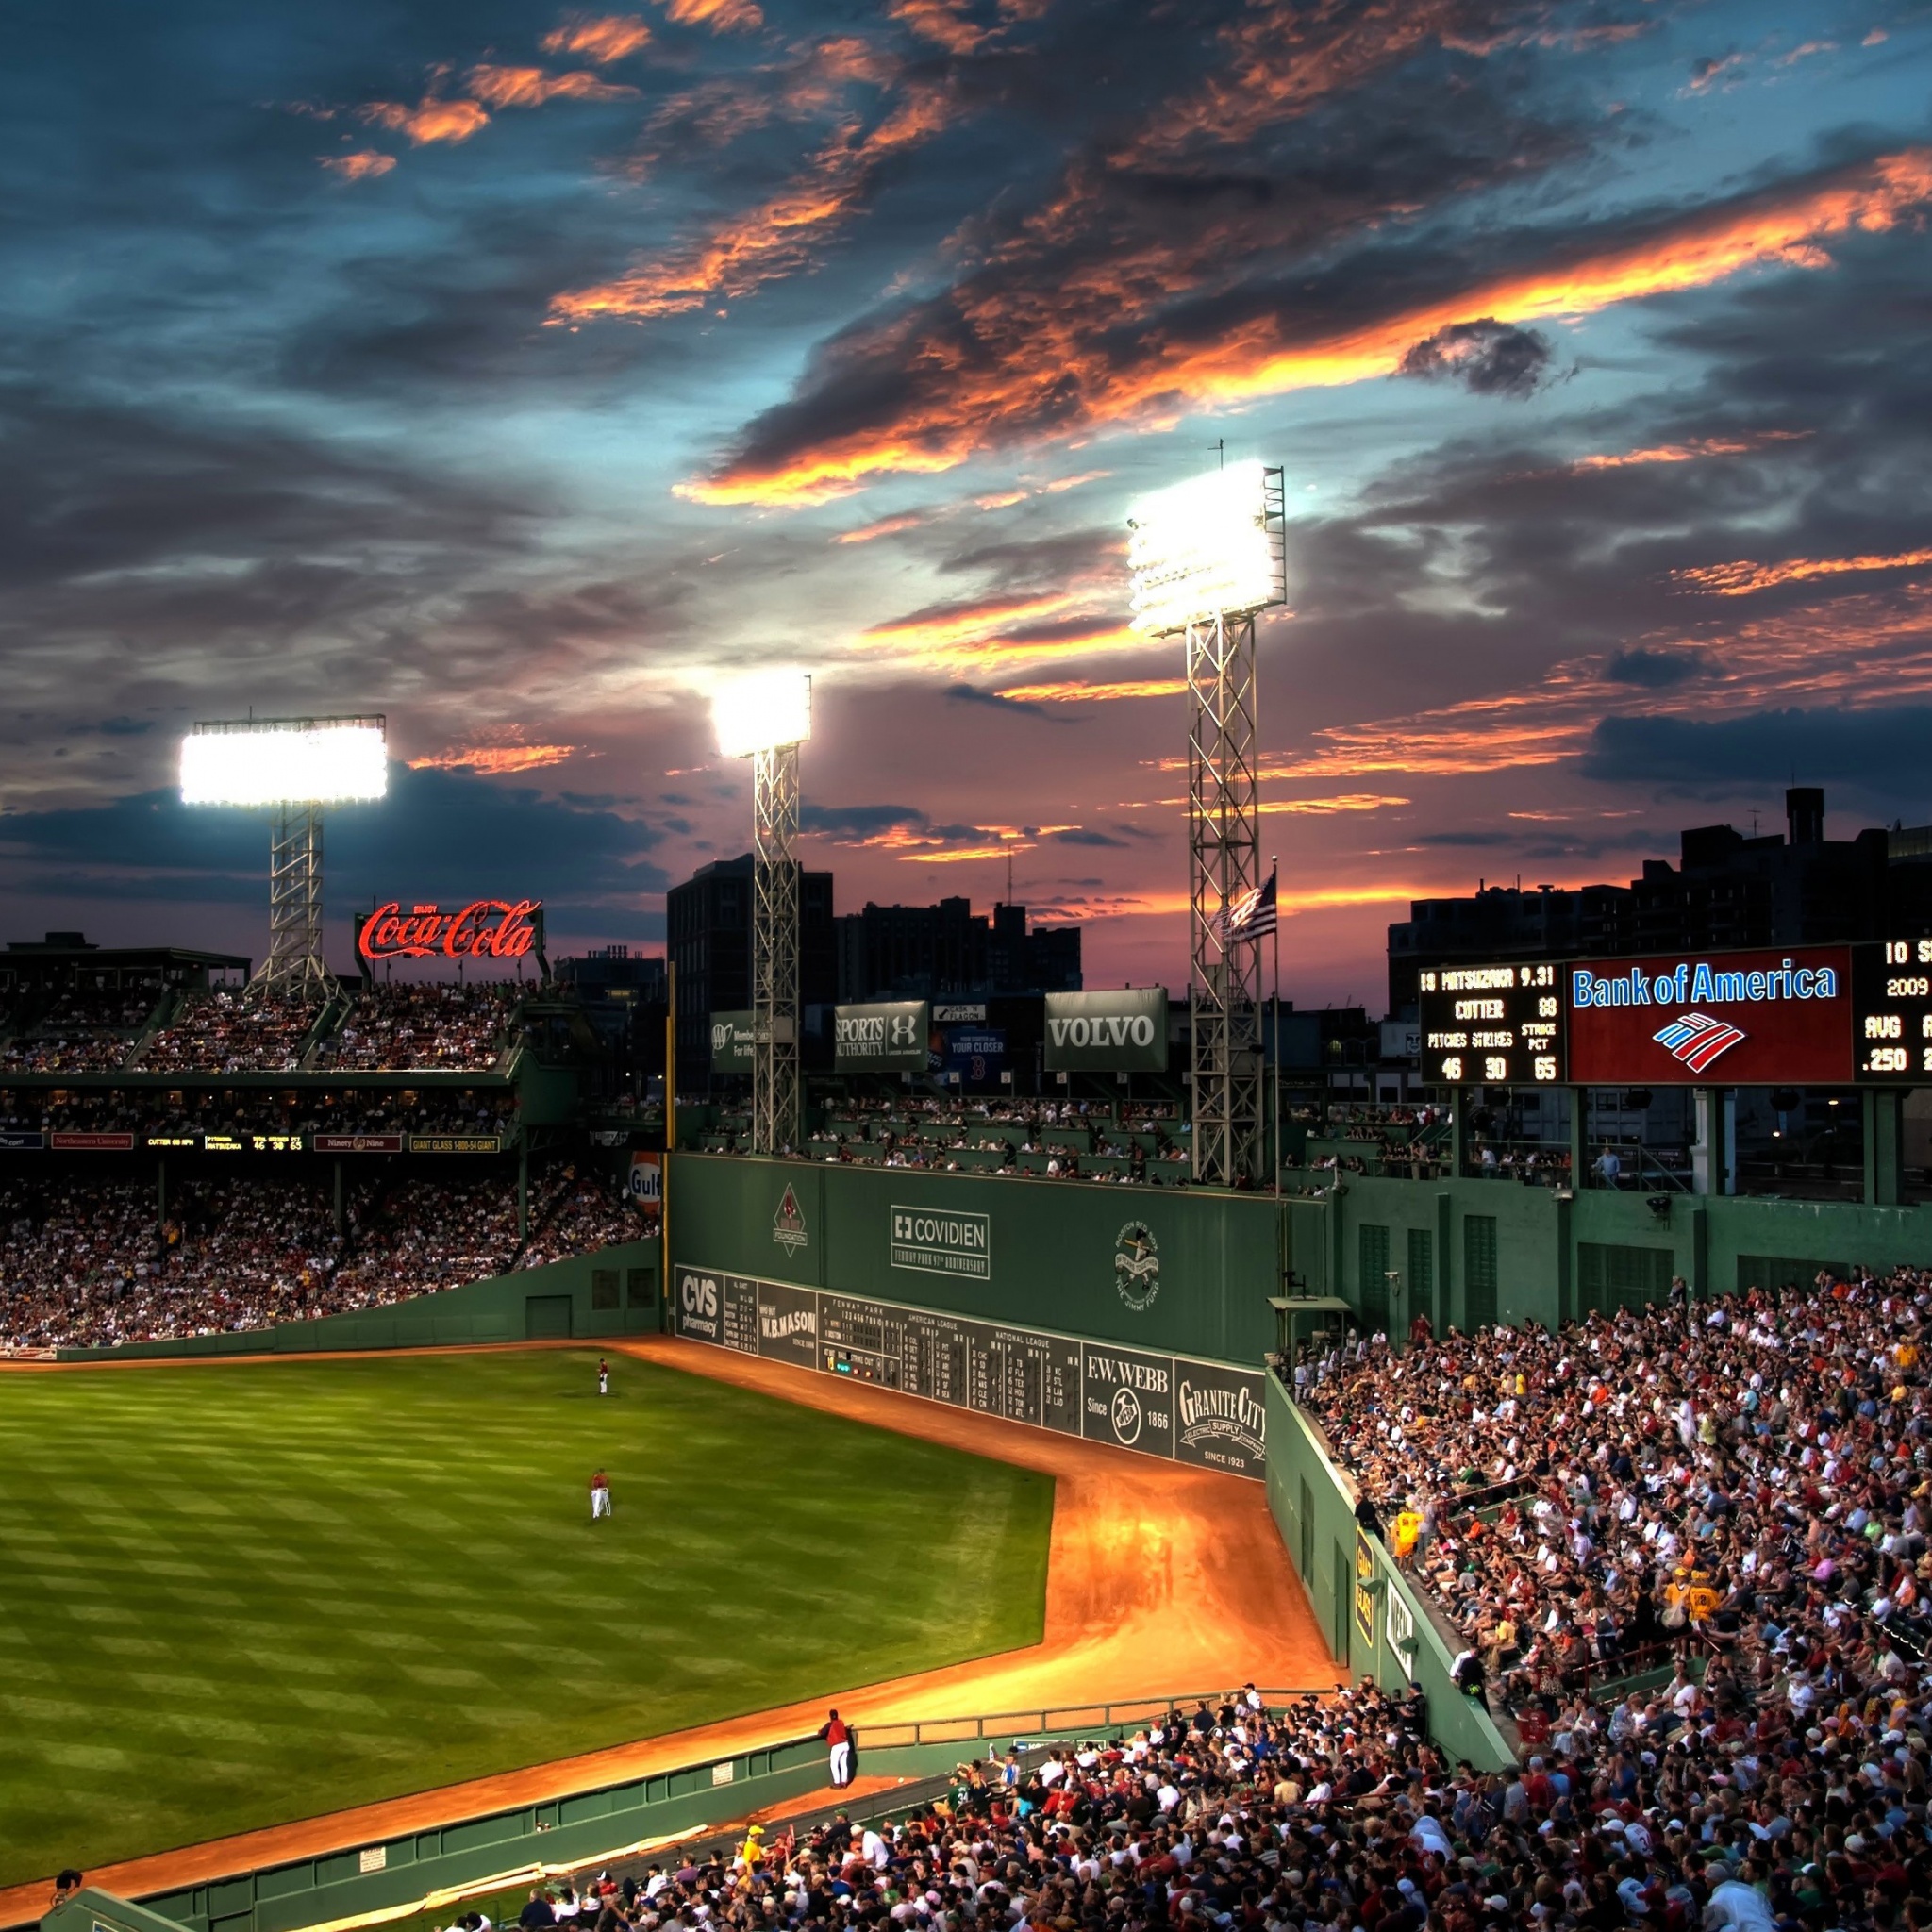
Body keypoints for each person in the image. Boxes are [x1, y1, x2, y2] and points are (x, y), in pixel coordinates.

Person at [819, 1707, 854, 1788]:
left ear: (830, 1716)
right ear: (837, 1715)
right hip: (845, 1745)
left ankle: (837, 1783)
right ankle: (844, 1782)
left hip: (837, 1746)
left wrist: (819, 1731)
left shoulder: (829, 1724)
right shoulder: (841, 1723)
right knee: (843, 1764)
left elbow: (822, 1733)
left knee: (834, 1764)